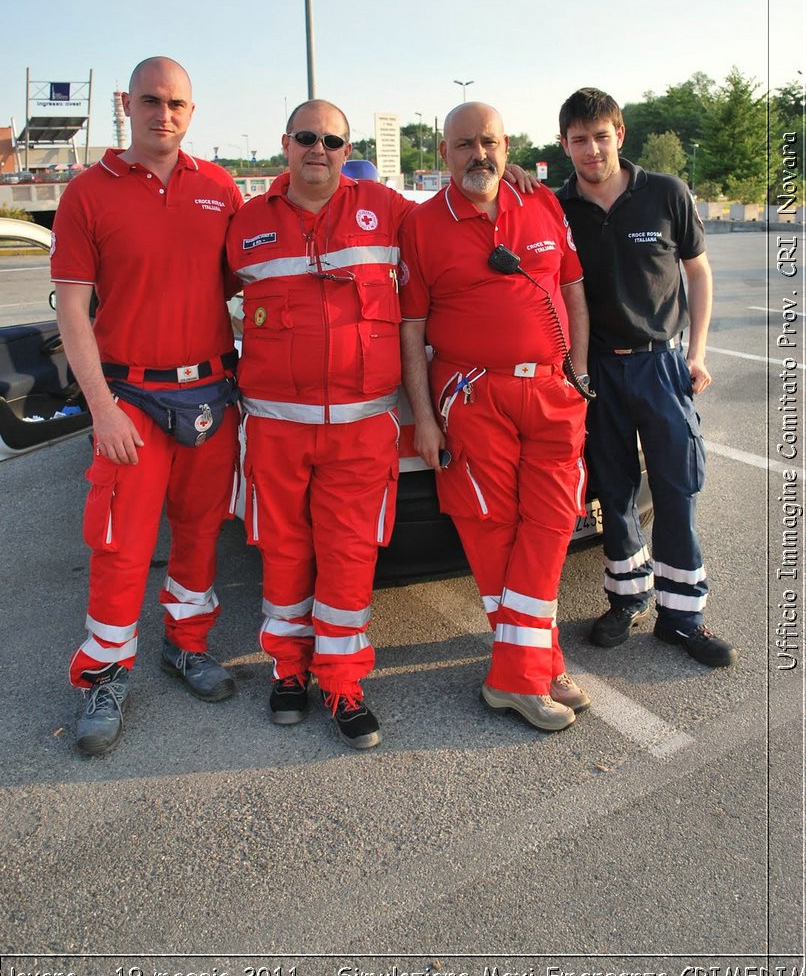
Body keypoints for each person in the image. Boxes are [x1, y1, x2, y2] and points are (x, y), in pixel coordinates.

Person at [52, 56, 243, 756]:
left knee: (198, 535)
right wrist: (100, 408)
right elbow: (72, 308)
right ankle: (103, 673)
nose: (165, 114)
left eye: (178, 104)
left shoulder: (219, 188)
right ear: (126, 105)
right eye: (152, 101)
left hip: (210, 395)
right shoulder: (87, 193)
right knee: (119, 547)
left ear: (192, 113)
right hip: (127, 398)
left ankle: (186, 646)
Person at [226, 100, 414, 750]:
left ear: (346, 147)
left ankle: (341, 680)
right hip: (276, 429)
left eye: (331, 140)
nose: (319, 149)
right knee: (283, 551)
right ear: (286, 144)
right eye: (307, 137)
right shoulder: (243, 223)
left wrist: (509, 183)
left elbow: (458, 233)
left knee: (349, 553)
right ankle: (287, 670)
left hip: (361, 432)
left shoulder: (388, 210)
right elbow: (185, 292)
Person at [399, 102, 592, 733]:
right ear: (443, 154)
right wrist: (425, 418)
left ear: (507, 146)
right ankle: (531, 672)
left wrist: (579, 375)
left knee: (555, 519)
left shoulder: (541, 204)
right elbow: (412, 326)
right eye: (463, 145)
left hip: (552, 392)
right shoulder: (422, 225)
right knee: (492, 529)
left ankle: (523, 666)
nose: (478, 155)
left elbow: (571, 292)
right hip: (474, 397)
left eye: (488, 143)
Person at [556, 86, 736, 667]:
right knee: (613, 491)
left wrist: (698, 352)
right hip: (597, 372)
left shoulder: (665, 192)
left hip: (661, 363)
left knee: (677, 487)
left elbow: (698, 273)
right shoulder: (557, 206)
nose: (591, 150)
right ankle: (625, 599)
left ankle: (682, 617)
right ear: (564, 144)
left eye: (600, 137)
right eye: (579, 140)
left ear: (620, 135)